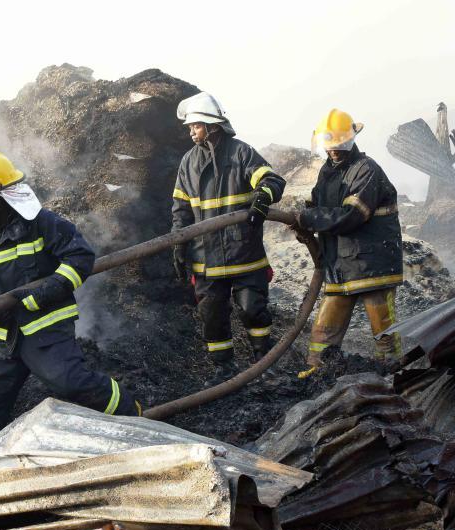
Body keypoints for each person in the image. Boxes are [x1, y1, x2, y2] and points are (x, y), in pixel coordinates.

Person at [0, 151, 141, 458]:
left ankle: (133, 416)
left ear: (4, 196)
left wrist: (42, 294)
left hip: (44, 329)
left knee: (72, 383)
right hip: (1, 340)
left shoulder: (43, 224)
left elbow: (80, 258)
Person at [171, 92, 286, 386]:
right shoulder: (188, 162)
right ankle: (224, 370)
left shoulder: (241, 153)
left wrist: (263, 198)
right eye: (190, 126)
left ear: (212, 125)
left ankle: (264, 363)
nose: (191, 131)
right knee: (212, 316)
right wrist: (179, 245)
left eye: (195, 125)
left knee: (253, 310)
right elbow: (181, 209)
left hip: (244, 253)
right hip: (205, 259)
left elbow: (272, 180)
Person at [296, 109, 403, 378]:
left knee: (383, 329)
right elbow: (317, 204)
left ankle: (393, 376)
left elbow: (352, 215)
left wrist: (310, 219)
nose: (333, 150)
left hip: (372, 264)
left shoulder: (367, 170)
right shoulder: (328, 171)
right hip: (339, 264)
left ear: (350, 140)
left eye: (339, 144)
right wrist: (303, 223)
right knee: (324, 330)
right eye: (329, 145)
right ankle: (317, 372)